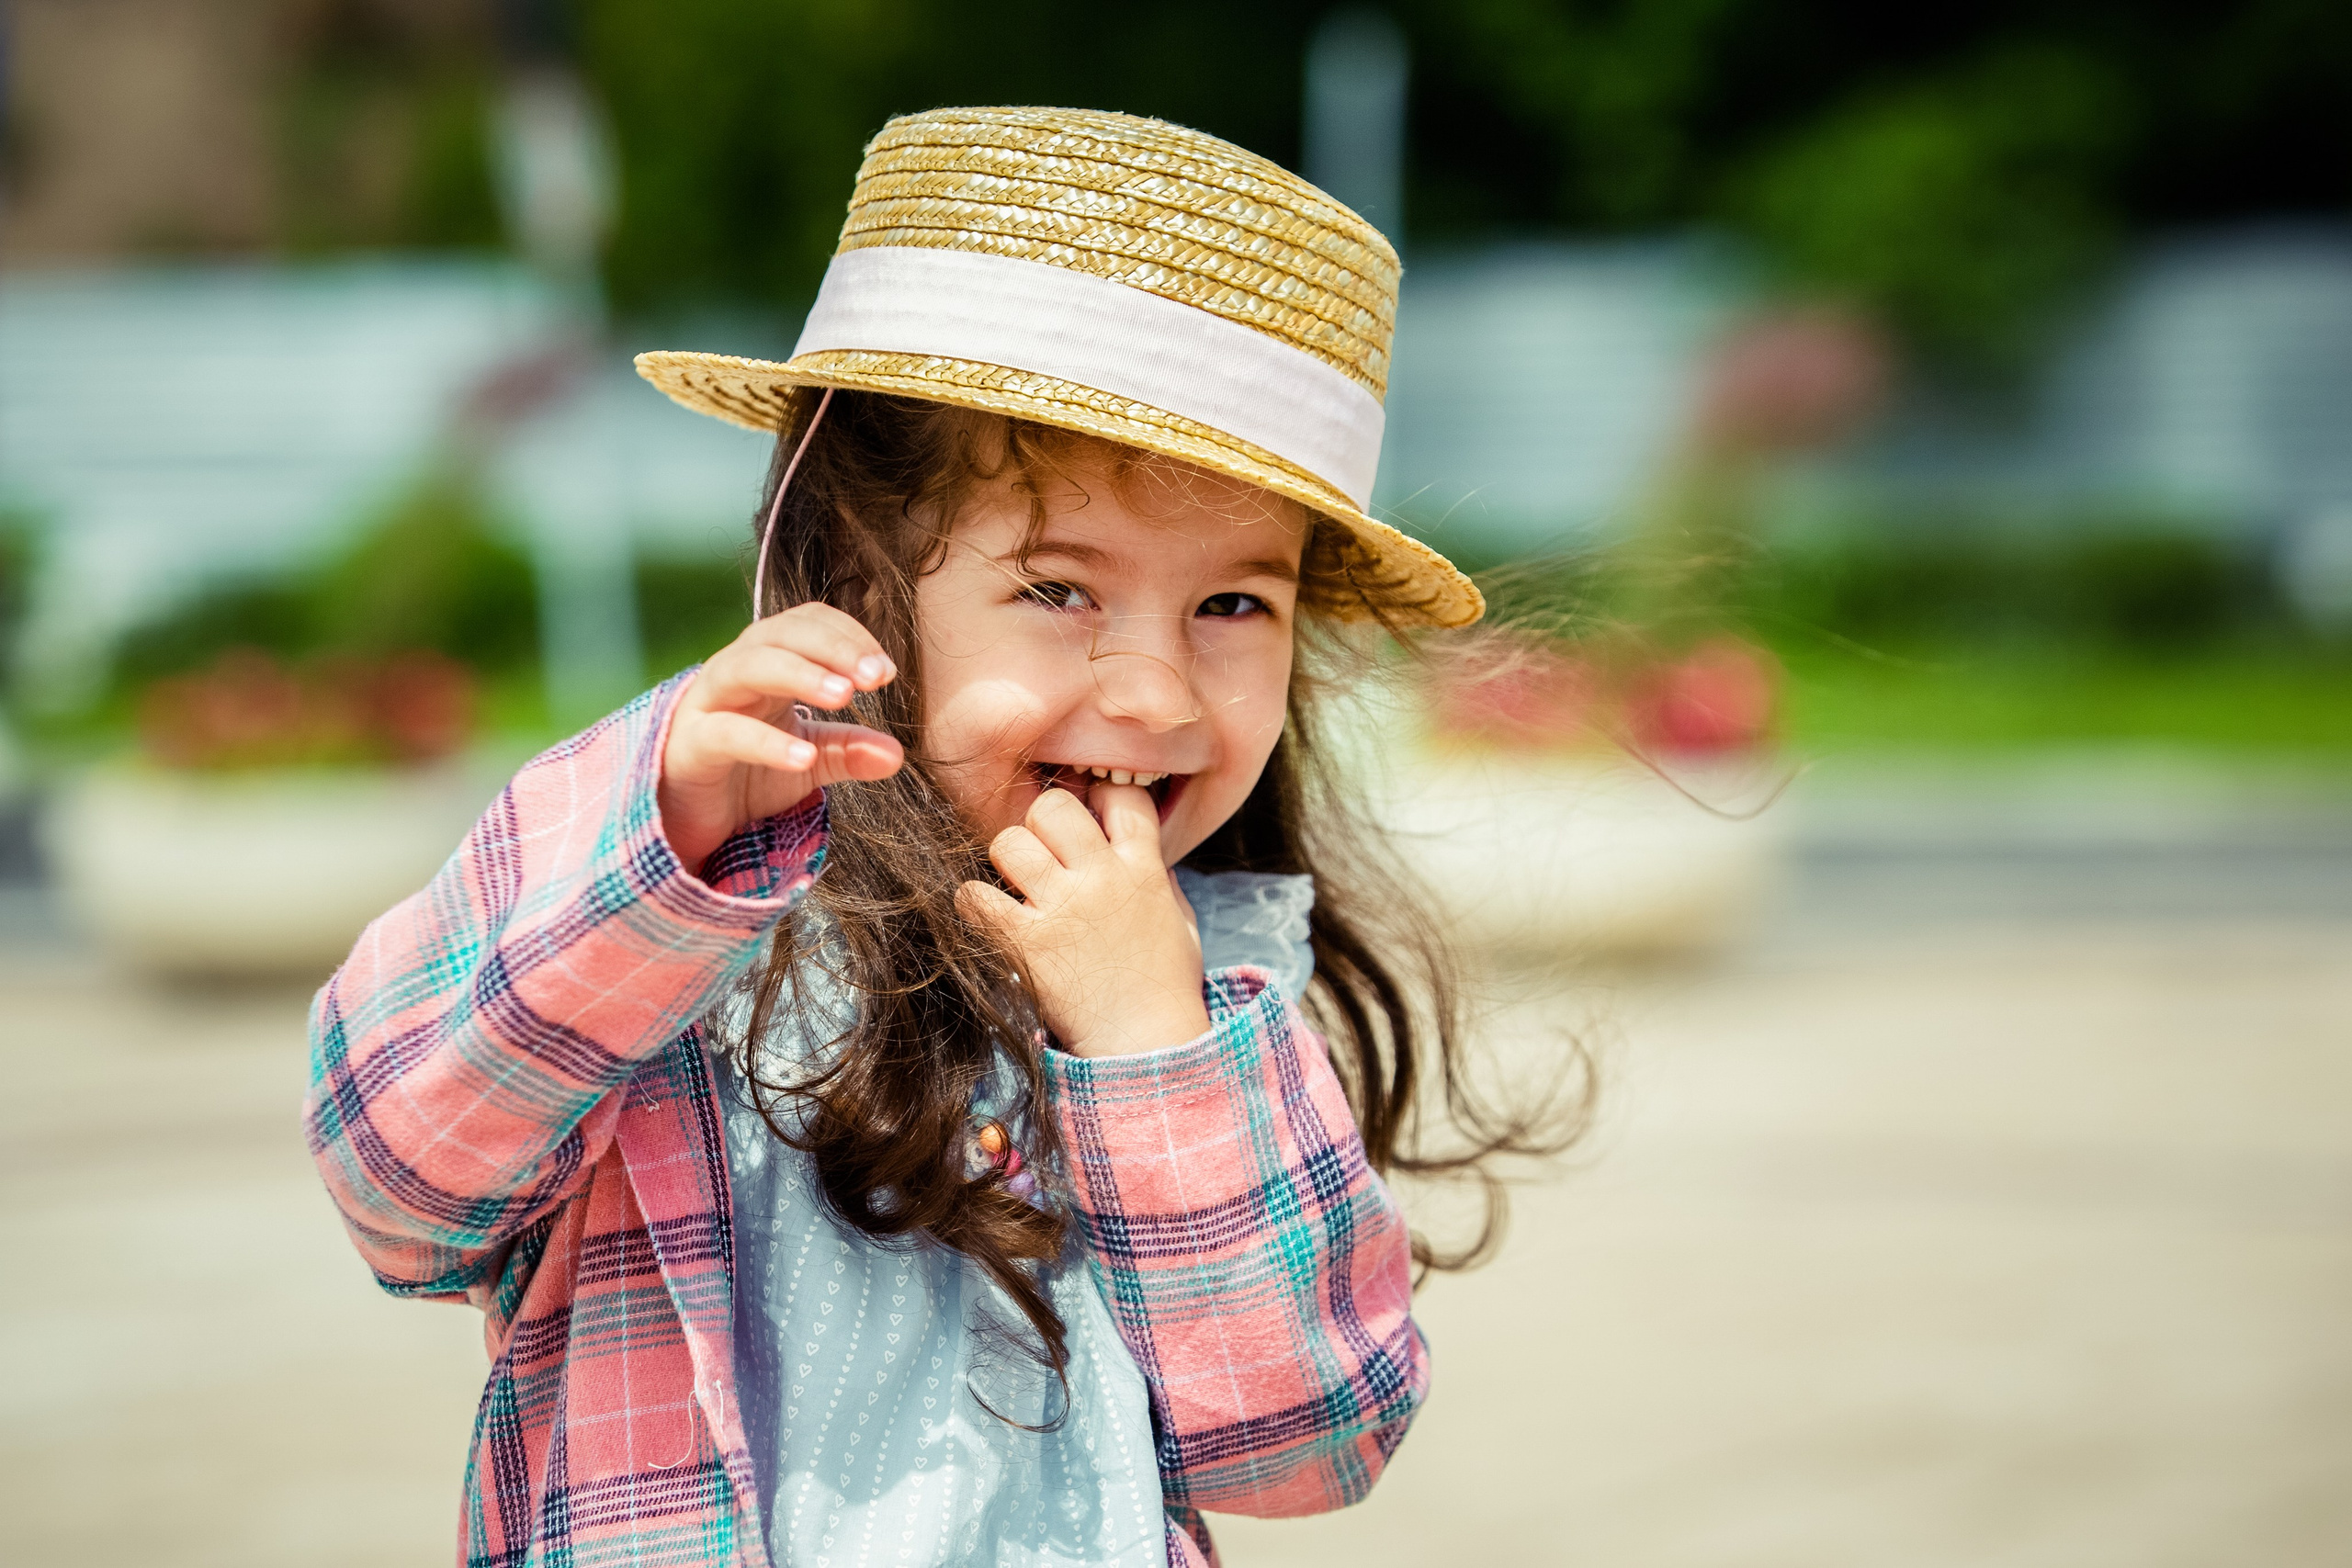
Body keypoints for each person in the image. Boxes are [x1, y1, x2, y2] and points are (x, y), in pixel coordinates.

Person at [306, 106, 1514, 1568]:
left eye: (1234, 604)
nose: (1155, 692)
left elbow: (1309, 1450)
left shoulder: (1215, 987)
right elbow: (400, 1190)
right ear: (856, 574)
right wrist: (661, 846)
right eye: (1059, 590)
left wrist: (1155, 1052)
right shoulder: (674, 925)